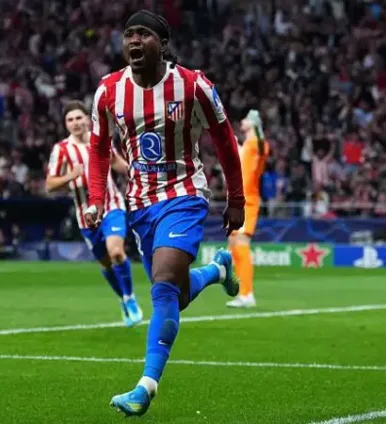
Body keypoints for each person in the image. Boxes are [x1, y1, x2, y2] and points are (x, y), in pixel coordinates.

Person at [84, 10, 245, 417]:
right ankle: (218, 271)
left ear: (163, 44)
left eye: (144, 34)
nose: (134, 41)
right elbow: (99, 149)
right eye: (129, 35)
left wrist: (237, 199)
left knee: (165, 284)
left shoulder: (193, 85)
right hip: (140, 204)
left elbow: (225, 141)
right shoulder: (109, 91)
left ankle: (145, 386)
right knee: (176, 292)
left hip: (184, 194)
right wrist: (96, 197)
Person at [47, 100, 144, 327]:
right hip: (86, 216)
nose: (75, 123)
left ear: (87, 119)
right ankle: (123, 298)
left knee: (116, 252)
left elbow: (117, 162)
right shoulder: (61, 150)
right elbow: (50, 184)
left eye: (78, 118)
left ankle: (130, 298)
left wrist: (137, 174)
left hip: (111, 206)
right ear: (66, 124)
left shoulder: (100, 140)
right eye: (70, 120)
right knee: (106, 263)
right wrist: (70, 176)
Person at [226, 110, 269, 308]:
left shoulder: (258, 144)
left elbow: (259, 150)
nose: (242, 121)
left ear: (252, 123)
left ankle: (247, 294)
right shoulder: (248, 146)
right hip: (238, 200)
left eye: (246, 119)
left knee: (241, 242)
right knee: (233, 242)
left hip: (248, 200)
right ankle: (240, 289)